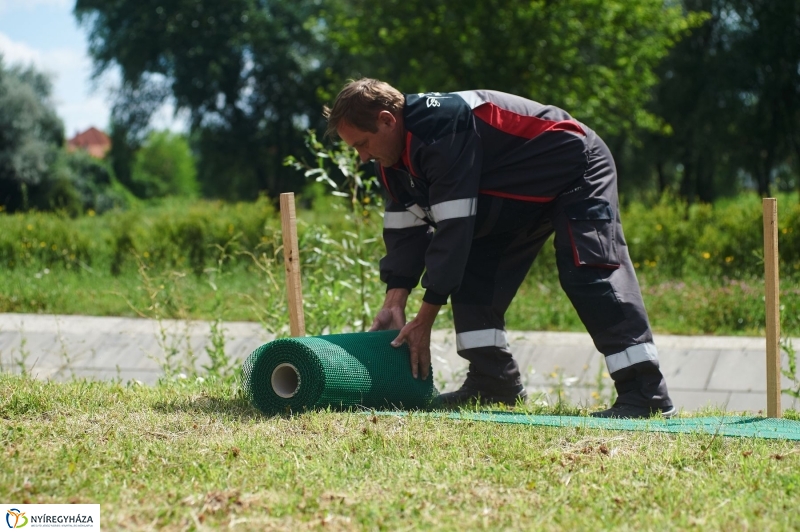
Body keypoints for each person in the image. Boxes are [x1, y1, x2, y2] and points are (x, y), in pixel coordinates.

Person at [323, 78, 675, 418]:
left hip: (575, 170)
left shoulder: (442, 125)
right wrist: (394, 302)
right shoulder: (391, 162)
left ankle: (646, 395)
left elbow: (453, 232)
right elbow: (405, 235)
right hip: (512, 196)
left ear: (387, 120)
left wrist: (424, 320)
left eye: (362, 144)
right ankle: (493, 382)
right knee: (473, 273)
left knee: (589, 272)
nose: (362, 157)